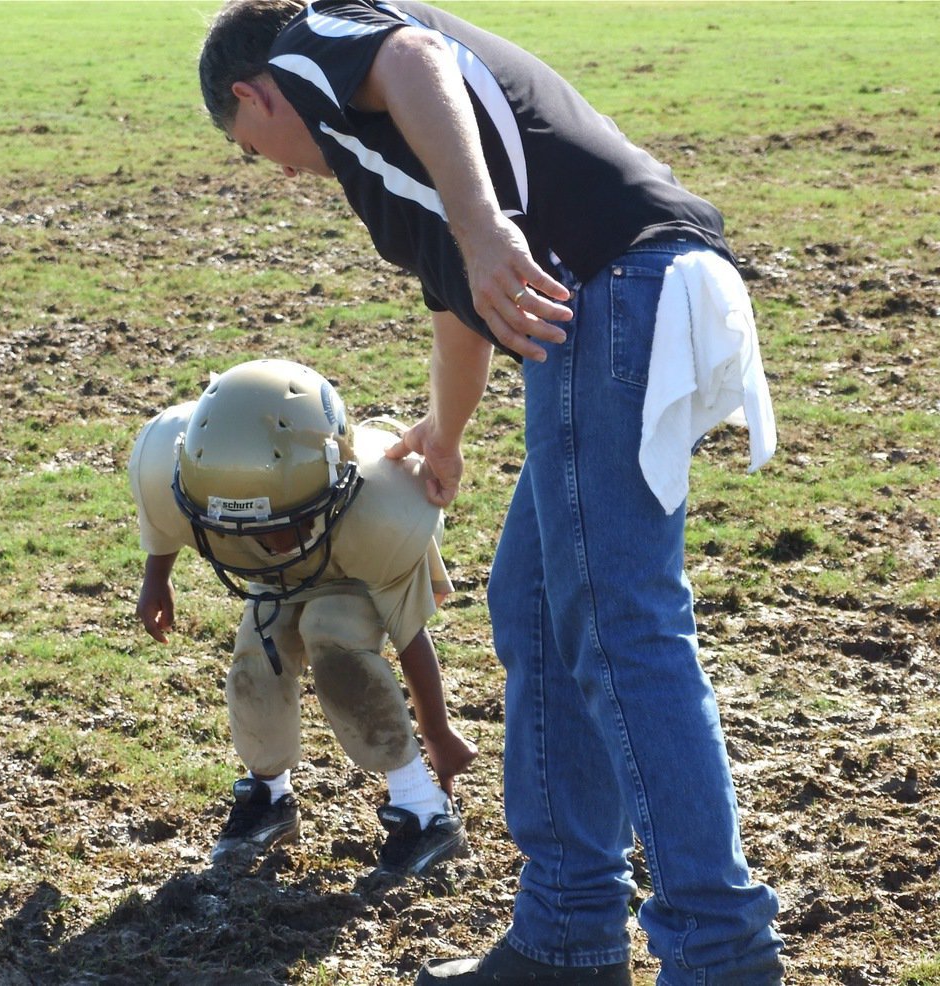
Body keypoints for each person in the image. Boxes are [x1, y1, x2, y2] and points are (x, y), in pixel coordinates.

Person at [197, 3, 785, 985]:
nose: (279, 169)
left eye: (249, 149)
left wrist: (481, 226)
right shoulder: (385, 149)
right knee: (536, 603)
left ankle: (723, 954)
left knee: (614, 620)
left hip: (617, 283)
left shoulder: (315, 46)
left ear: (252, 97)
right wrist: (448, 435)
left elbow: (413, 57)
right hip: (617, 292)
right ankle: (568, 934)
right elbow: (455, 304)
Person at [128, 357, 477, 876]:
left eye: (279, 527)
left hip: (352, 565)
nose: (267, 544)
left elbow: (409, 637)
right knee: (255, 656)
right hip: (288, 569)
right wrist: (157, 576)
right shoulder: (178, 465)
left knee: (330, 633)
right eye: (248, 529)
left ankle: (424, 809)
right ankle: (269, 795)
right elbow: (165, 515)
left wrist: (438, 732)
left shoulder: (385, 511)